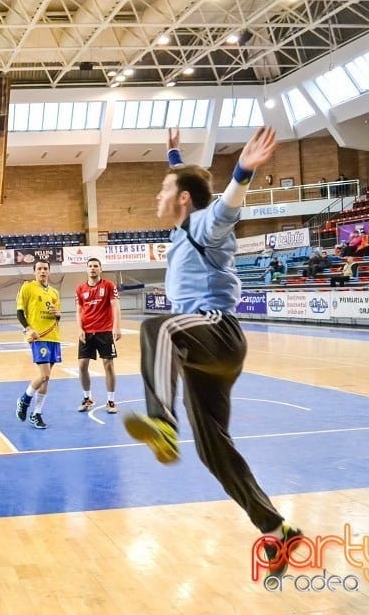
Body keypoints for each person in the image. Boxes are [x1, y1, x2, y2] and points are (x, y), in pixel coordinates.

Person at [122, 127, 302, 579]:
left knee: (156, 329)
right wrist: (174, 156)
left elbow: (224, 208)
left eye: (166, 188)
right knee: (212, 448)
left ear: (183, 199)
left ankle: (161, 424)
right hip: (206, 355)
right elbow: (187, 186)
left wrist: (242, 170)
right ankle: (278, 530)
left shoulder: (204, 222)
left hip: (216, 331)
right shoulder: (184, 226)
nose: (158, 195)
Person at [15, 259, 61, 429]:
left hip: (54, 337)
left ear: (49, 271)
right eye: (39, 269)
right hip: (38, 336)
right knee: (44, 375)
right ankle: (24, 399)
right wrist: (28, 329)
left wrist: (58, 313)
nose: (43, 271)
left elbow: (58, 316)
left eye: (45, 269)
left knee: (46, 380)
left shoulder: (54, 292)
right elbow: (19, 312)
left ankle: (37, 414)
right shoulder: (27, 287)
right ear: (34, 271)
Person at [75, 257, 122, 414]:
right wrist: (80, 329)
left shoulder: (108, 285)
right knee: (82, 366)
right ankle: (87, 398)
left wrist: (116, 327)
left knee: (108, 364)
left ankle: (110, 401)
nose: (93, 268)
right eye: (90, 266)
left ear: (100, 269)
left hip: (105, 331)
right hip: (87, 332)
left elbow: (115, 306)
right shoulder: (80, 289)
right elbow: (79, 311)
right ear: (86, 269)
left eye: (96, 266)